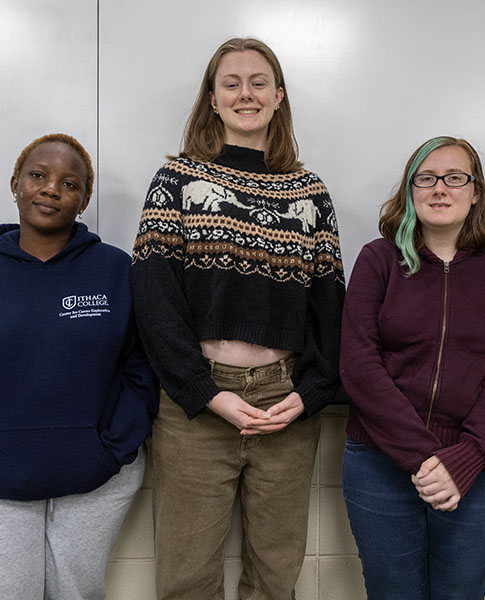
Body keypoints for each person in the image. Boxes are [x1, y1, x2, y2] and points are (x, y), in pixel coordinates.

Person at [130, 37, 345, 600]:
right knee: (186, 578)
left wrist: (313, 391)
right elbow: (154, 302)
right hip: (195, 406)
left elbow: (329, 305)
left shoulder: (309, 192)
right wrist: (204, 392)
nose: (245, 93)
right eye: (231, 83)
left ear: (279, 97)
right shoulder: (177, 179)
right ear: (213, 97)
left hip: (285, 401)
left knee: (276, 576)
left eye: (258, 82)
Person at [0, 133, 159, 600]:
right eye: (38, 176)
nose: (51, 189)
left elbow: (143, 366)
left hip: (96, 480)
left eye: (70, 184)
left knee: (78, 594)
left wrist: (110, 449)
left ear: (83, 201)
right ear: (16, 184)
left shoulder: (115, 272)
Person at [339, 136, 485, 599]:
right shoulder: (379, 259)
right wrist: (424, 458)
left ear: (475, 192)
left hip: (479, 467)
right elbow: (358, 363)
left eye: (455, 178)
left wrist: (465, 459)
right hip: (380, 464)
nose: (439, 189)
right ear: (410, 191)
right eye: (425, 179)